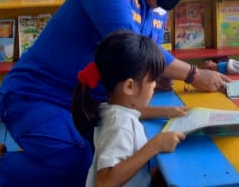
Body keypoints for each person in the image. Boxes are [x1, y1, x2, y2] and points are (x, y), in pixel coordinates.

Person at [0, 0, 231, 185]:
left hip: (87, 103)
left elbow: (147, 58)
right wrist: (194, 75)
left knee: (118, 153)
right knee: (78, 166)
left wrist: (156, 76)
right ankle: (0, 165)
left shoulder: (155, 8)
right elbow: (130, 47)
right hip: (35, 96)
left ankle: (47, 149)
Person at [74, 32, 186, 187]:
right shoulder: (120, 125)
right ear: (129, 86)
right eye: (152, 80)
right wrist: (154, 146)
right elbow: (104, 182)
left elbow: (137, 112)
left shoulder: (113, 108)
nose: (154, 86)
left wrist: (166, 111)